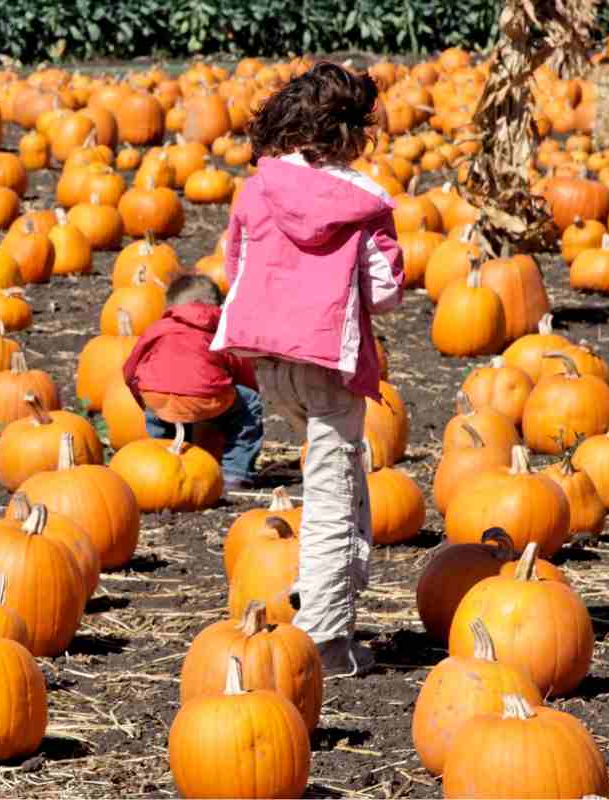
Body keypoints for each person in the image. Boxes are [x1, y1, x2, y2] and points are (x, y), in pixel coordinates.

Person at [211, 62, 405, 678]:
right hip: (328, 362)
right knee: (331, 500)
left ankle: (328, 594)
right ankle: (324, 639)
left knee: (338, 483)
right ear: (352, 133)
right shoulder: (362, 201)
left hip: (268, 360)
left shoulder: (256, 189)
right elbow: (385, 290)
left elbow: (236, 267)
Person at [122, 274, 264, 489]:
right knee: (249, 403)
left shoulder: (157, 328)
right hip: (203, 395)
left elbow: (131, 367)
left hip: (156, 394)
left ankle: (159, 468)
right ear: (217, 304)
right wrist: (241, 391)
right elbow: (241, 367)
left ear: (171, 306)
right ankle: (235, 473)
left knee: (160, 428)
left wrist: (141, 399)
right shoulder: (220, 330)